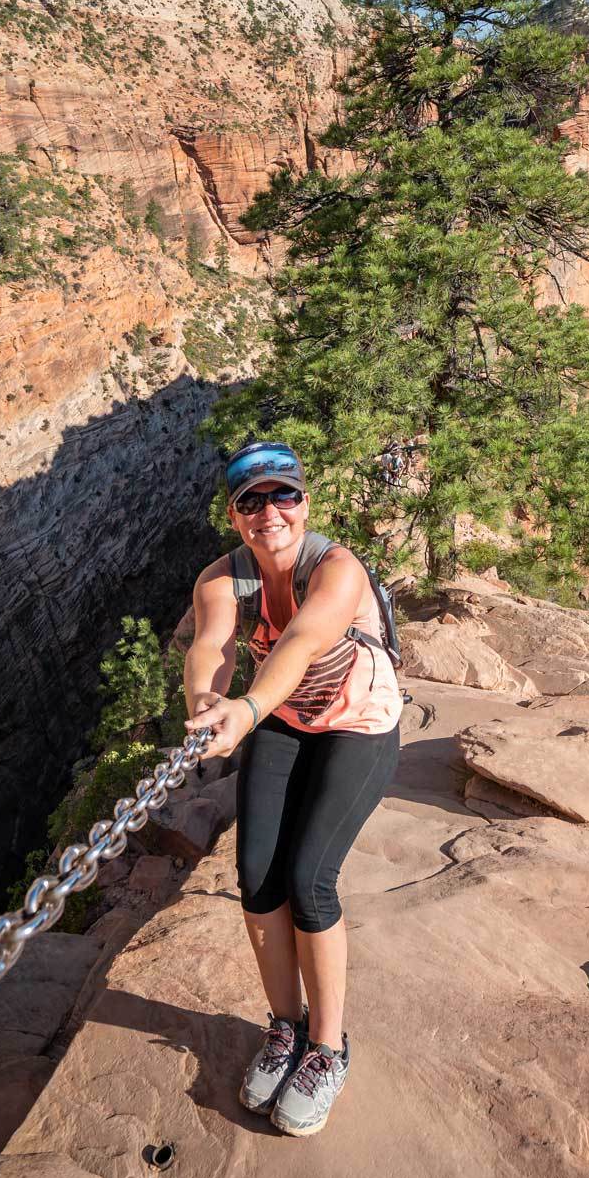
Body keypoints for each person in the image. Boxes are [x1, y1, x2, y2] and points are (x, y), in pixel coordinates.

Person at [184, 440, 404, 1138]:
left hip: (357, 723)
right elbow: (213, 646)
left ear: (305, 502)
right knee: (256, 880)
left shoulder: (337, 570)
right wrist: (202, 707)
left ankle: (328, 1048)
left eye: (282, 495)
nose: (269, 512)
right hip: (285, 717)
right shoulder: (222, 579)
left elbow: (303, 641)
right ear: (234, 514)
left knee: (310, 880)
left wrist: (243, 711)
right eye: (252, 501)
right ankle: (286, 1027)